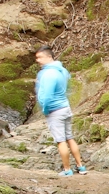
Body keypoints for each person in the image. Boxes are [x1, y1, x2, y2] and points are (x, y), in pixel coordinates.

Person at [34, 45, 86, 176]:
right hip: (65, 107)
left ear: (49, 57)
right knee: (70, 138)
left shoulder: (49, 74)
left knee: (61, 141)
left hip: (55, 110)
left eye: (40, 57)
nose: (37, 60)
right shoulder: (61, 70)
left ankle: (67, 170)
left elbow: (47, 96)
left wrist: (45, 109)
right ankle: (81, 166)